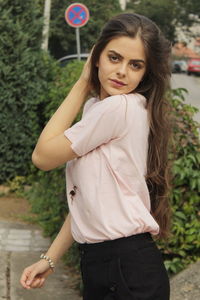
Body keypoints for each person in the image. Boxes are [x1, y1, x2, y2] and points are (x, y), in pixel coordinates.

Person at [20, 13, 172, 300]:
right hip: (110, 266)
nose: (122, 72)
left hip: (126, 269)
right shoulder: (101, 108)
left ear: (145, 73)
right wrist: (50, 259)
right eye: (114, 58)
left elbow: (42, 156)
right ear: (98, 55)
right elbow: (88, 201)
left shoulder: (118, 109)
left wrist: (81, 82)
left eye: (135, 65)